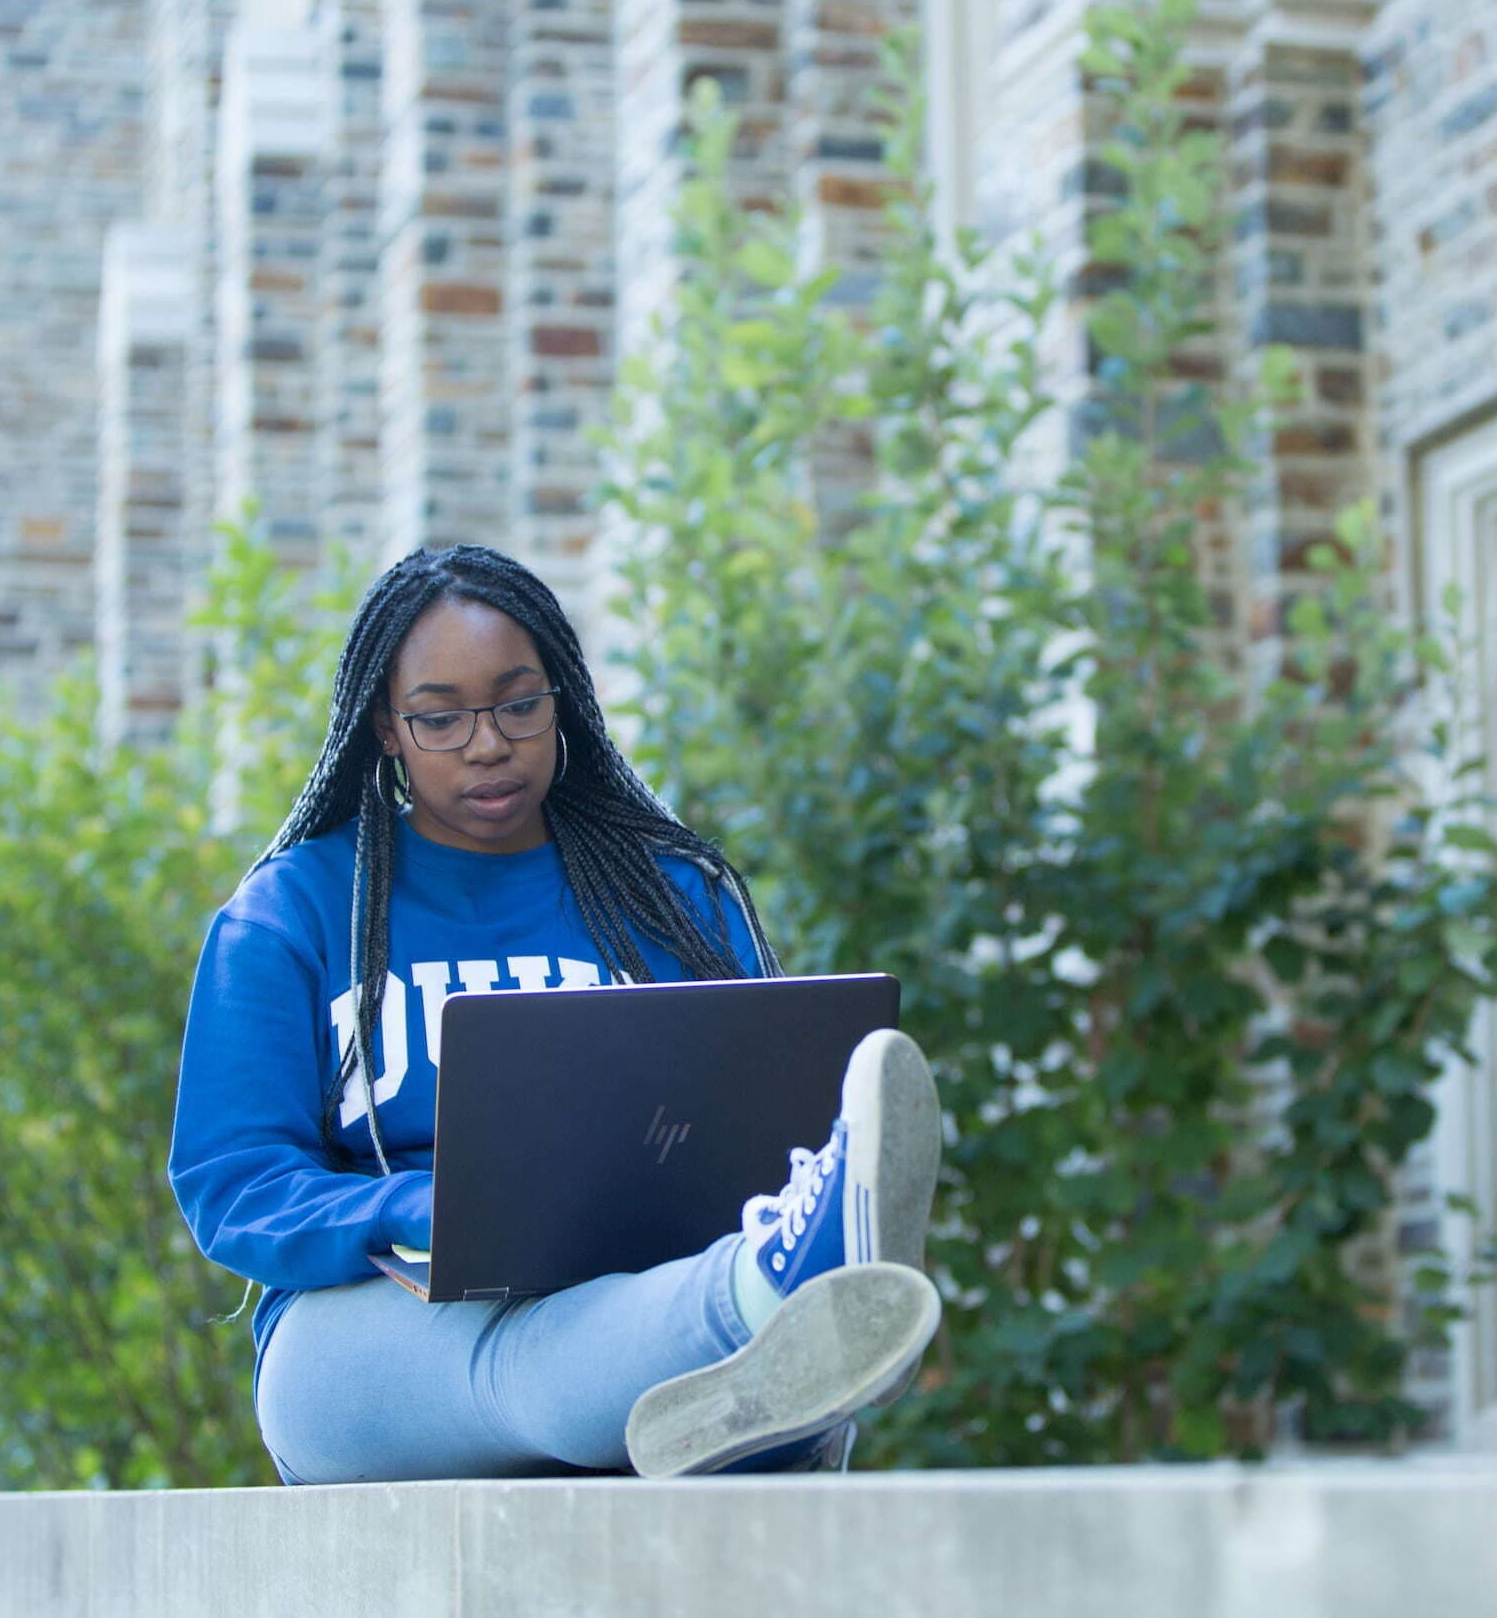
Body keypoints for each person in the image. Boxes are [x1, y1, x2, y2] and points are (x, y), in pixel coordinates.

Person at [166, 544, 943, 1482]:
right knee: (512, 1363)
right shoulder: (293, 910)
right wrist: (431, 1207)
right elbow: (234, 1182)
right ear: (384, 725)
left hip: (635, 1283)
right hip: (365, 1328)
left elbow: (759, 1122)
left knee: (600, 1317)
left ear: (562, 697)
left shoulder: (672, 899)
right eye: (441, 717)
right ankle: (768, 1308)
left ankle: (742, 1378)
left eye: (518, 702)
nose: (488, 742)